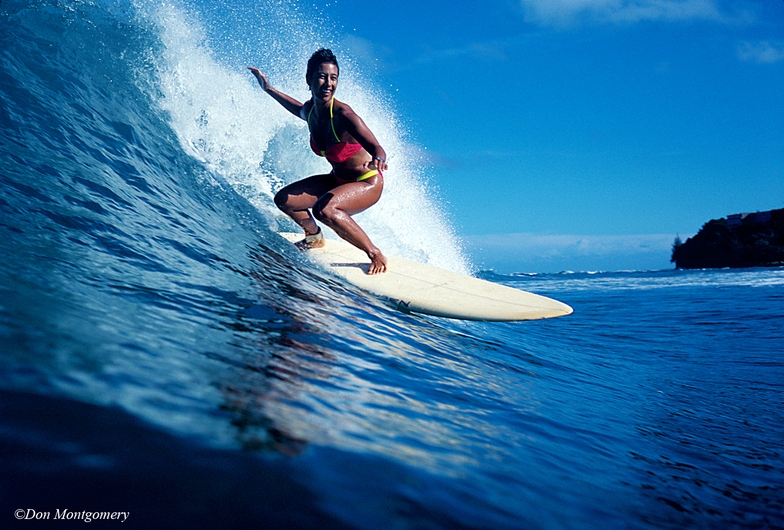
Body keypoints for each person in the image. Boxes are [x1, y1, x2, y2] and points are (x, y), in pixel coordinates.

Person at [248, 49, 388, 275]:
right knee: (285, 199)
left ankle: (374, 253)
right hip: (338, 180)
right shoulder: (311, 110)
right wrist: (269, 89)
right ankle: (314, 237)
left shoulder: (344, 115)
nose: (328, 83)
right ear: (309, 79)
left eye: (333, 78)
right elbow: (296, 108)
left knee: (325, 209)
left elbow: (376, 147)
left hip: (366, 183)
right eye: (322, 76)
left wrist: (379, 159)